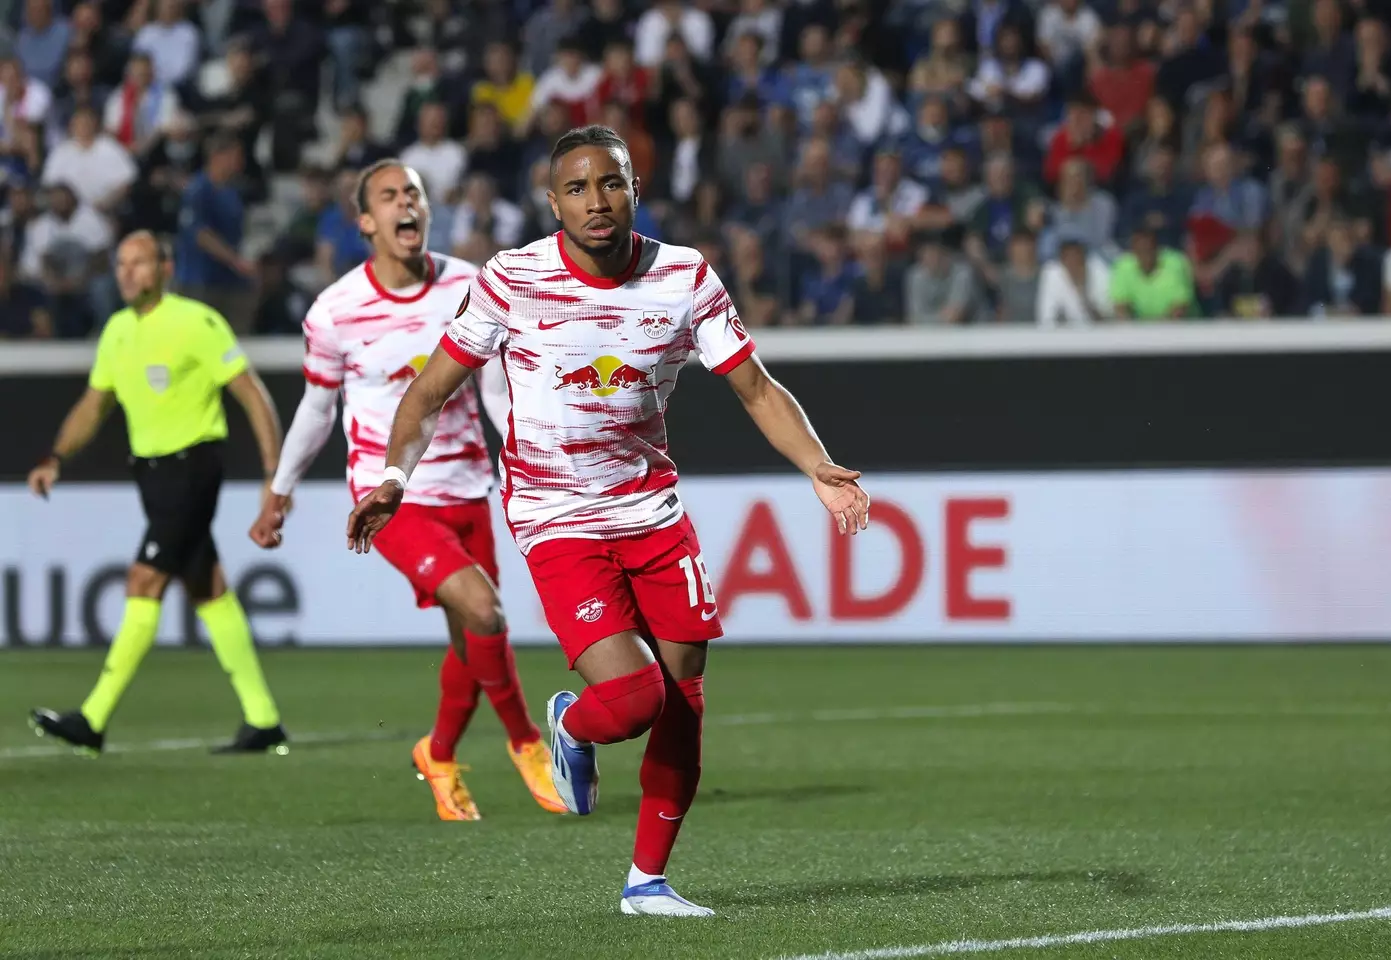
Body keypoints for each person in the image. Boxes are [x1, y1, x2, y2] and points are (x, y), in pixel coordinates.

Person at [346, 125, 870, 916]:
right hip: (556, 515)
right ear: (553, 201)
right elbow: (428, 394)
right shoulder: (512, 280)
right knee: (633, 699)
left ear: (635, 188)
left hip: (652, 511)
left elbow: (756, 388)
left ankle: (647, 882)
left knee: (685, 692)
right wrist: (394, 475)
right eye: (580, 188)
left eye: (613, 183)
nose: (599, 201)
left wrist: (818, 467)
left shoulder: (685, 278)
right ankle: (574, 725)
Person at [249, 159, 564, 822]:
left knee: (469, 641)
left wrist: (527, 461)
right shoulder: (336, 311)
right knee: (486, 612)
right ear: (366, 222)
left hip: (470, 486)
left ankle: (439, 755)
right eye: (389, 196)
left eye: (413, 193)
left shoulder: (470, 285)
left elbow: (496, 391)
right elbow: (316, 408)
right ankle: (527, 742)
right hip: (391, 496)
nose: (405, 204)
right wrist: (280, 487)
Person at [26, 231, 287, 755]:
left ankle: (93, 719)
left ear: (164, 267)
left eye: (139, 263)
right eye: (121, 264)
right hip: (152, 475)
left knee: (144, 579)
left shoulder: (196, 322)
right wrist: (56, 456)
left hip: (193, 466)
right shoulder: (118, 330)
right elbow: (93, 405)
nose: (126, 273)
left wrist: (274, 476)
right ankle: (263, 721)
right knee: (206, 588)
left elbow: (253, 396)